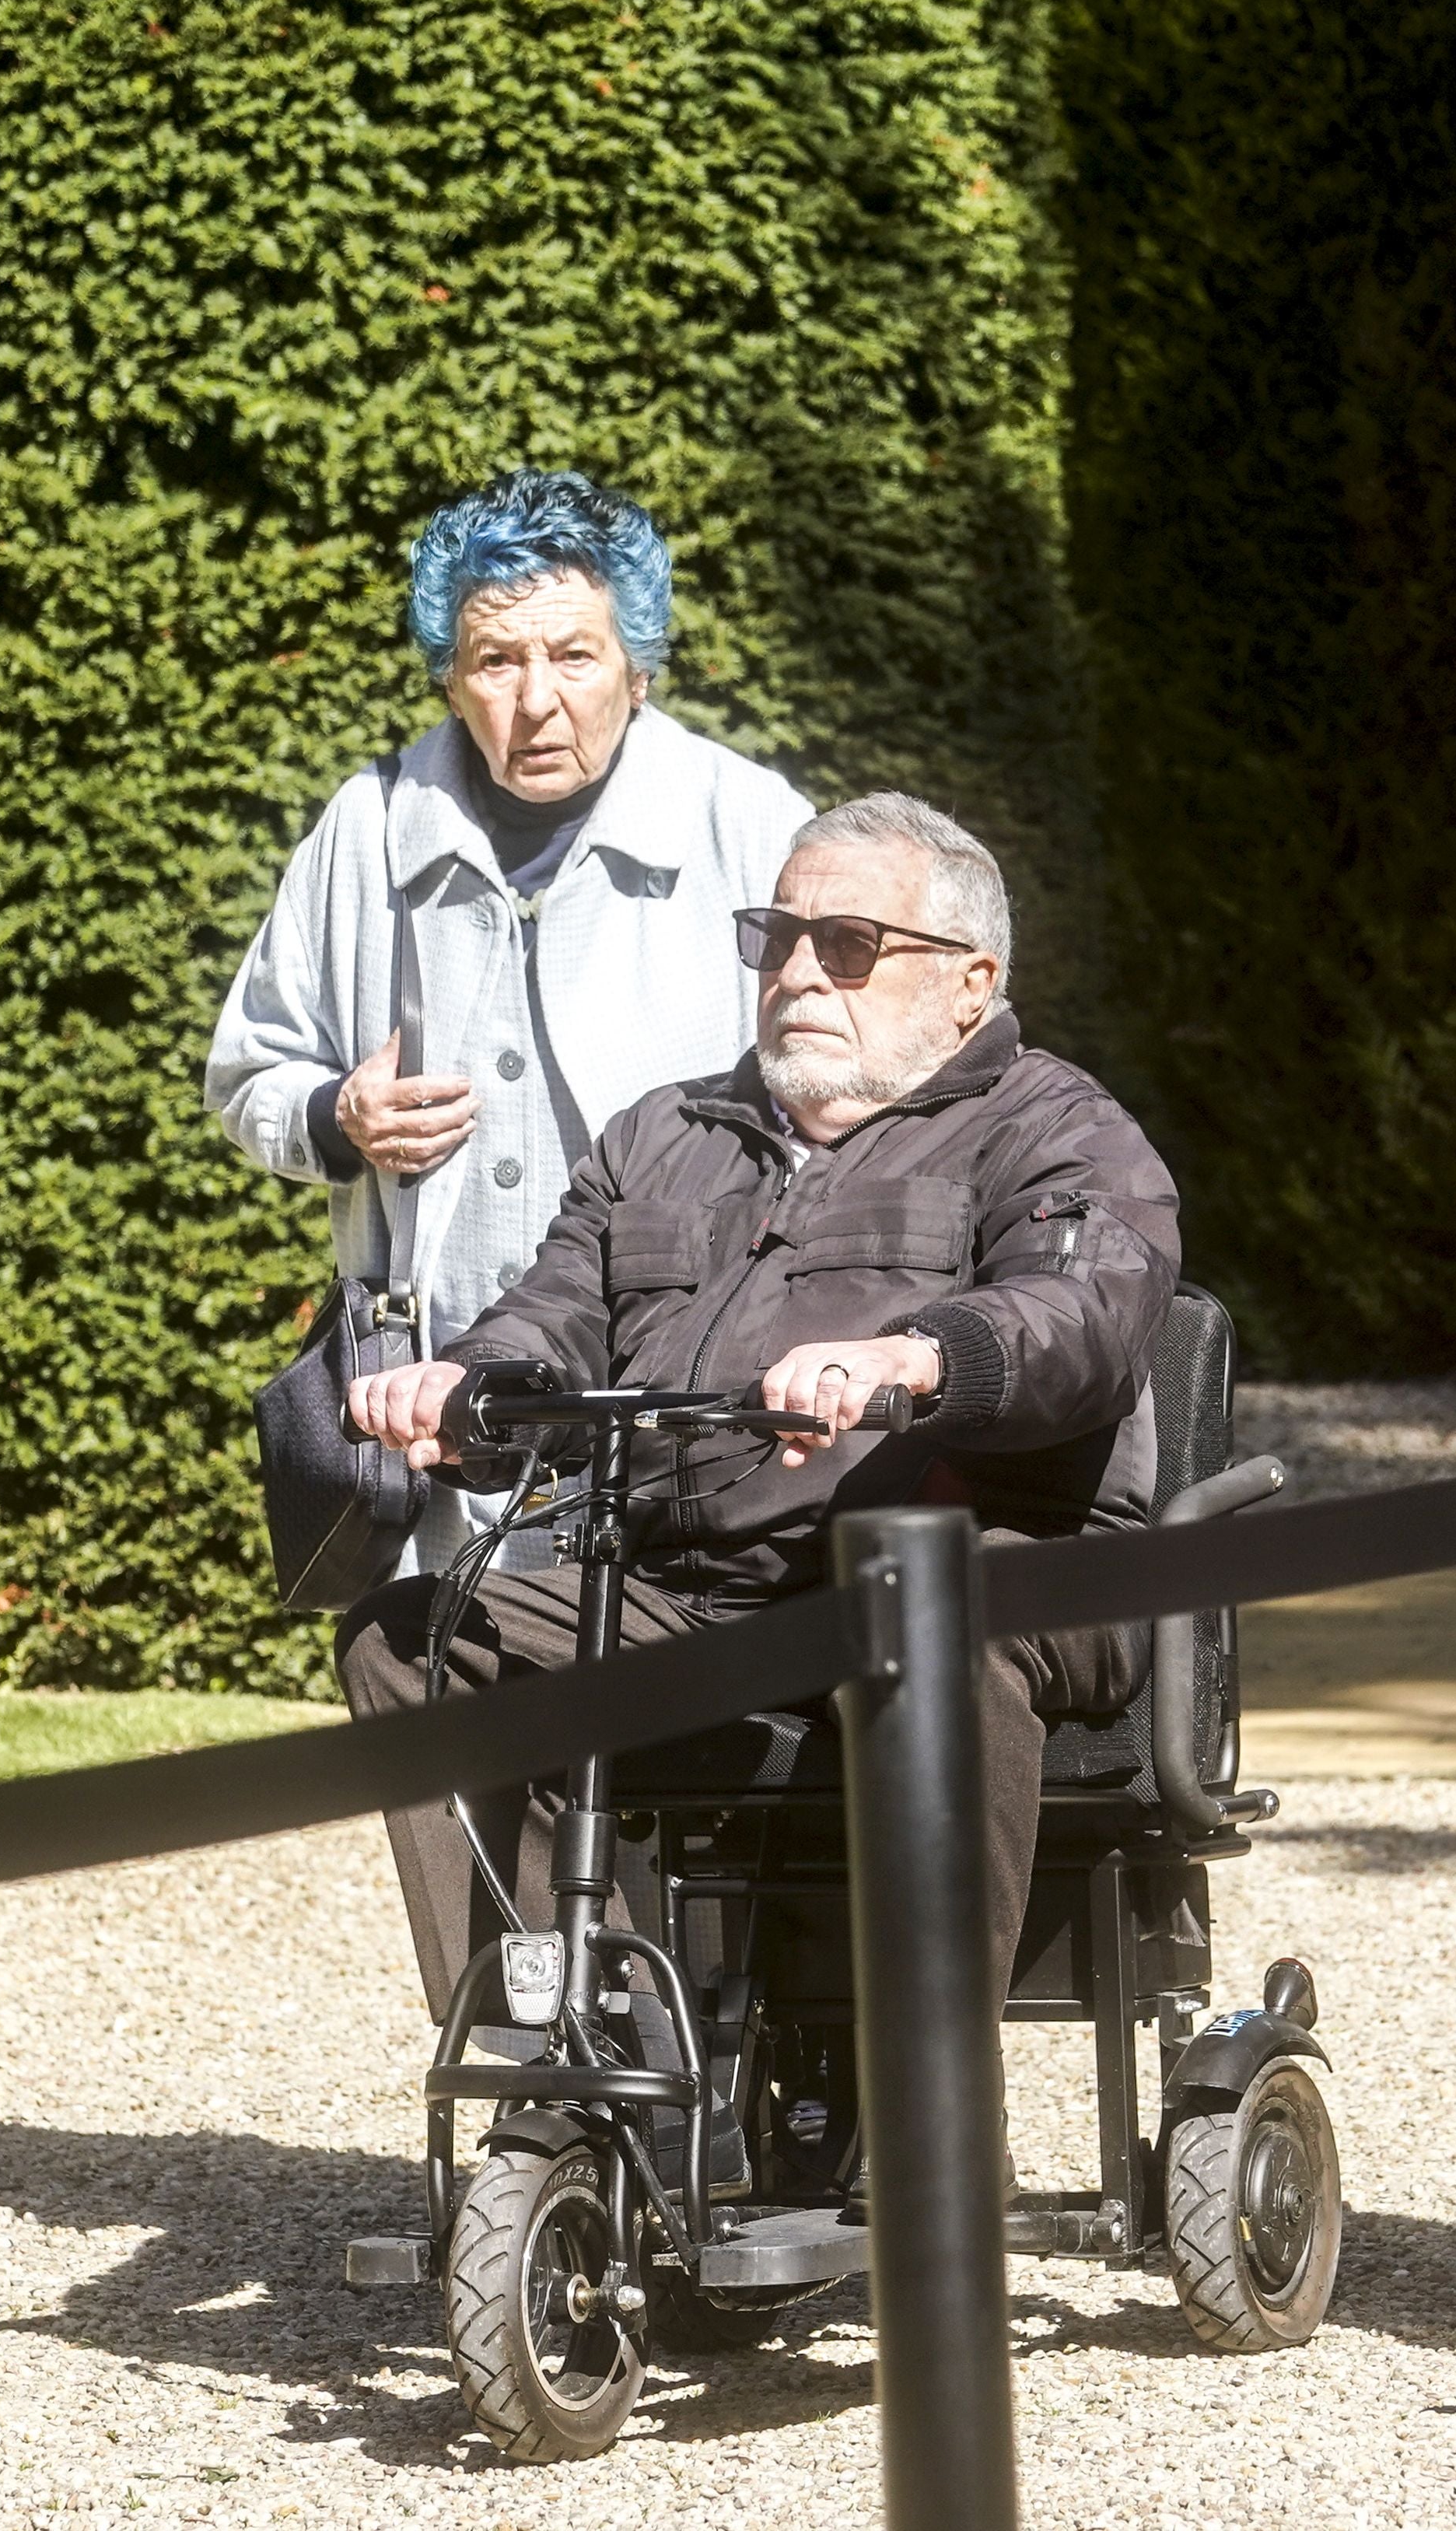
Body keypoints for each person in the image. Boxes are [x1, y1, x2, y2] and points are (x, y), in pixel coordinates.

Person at [334, 792, 1179, 2008]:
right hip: (695, 1591)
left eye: (847, 946)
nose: (795, 974)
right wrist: (466, 1386)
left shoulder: (1056, 1129)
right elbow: (553, 1314)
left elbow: (1087, 1314)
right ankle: (590, 2058)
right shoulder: (663, 1136)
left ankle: (928, 2125)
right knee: (412, 1640)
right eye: (775, 938)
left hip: (981, 1564)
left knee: (931, 1609)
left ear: (970, 981)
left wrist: (913, 1359)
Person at [208, 469, 814, 1575]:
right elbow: (248, 1077)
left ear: (638, 670)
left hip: (681, 1405)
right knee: (439, 1701)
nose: (536, 699)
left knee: (657, 1722)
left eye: (574, 655)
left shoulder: (752, 826)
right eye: (495, 660)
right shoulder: (367, 830)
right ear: (450, 681)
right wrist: (337, 1119)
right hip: (429, 1412)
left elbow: (859, 1097)